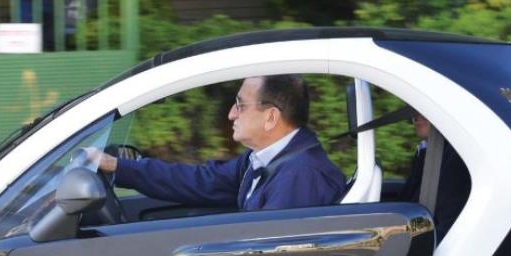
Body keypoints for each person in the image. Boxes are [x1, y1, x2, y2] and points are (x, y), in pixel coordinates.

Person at [91, 75, 346, 211]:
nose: (231, 114)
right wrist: (119, 167)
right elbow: (201, 181)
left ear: (271, 118)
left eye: (240, 105)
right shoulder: (262, 158)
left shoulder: (300, 177)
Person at [400, 112, 471, 241]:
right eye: (414, 114)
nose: (417, 119)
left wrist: (405, 239)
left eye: (424, 114)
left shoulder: (456, 159)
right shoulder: (426, 152)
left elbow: (446, 220)